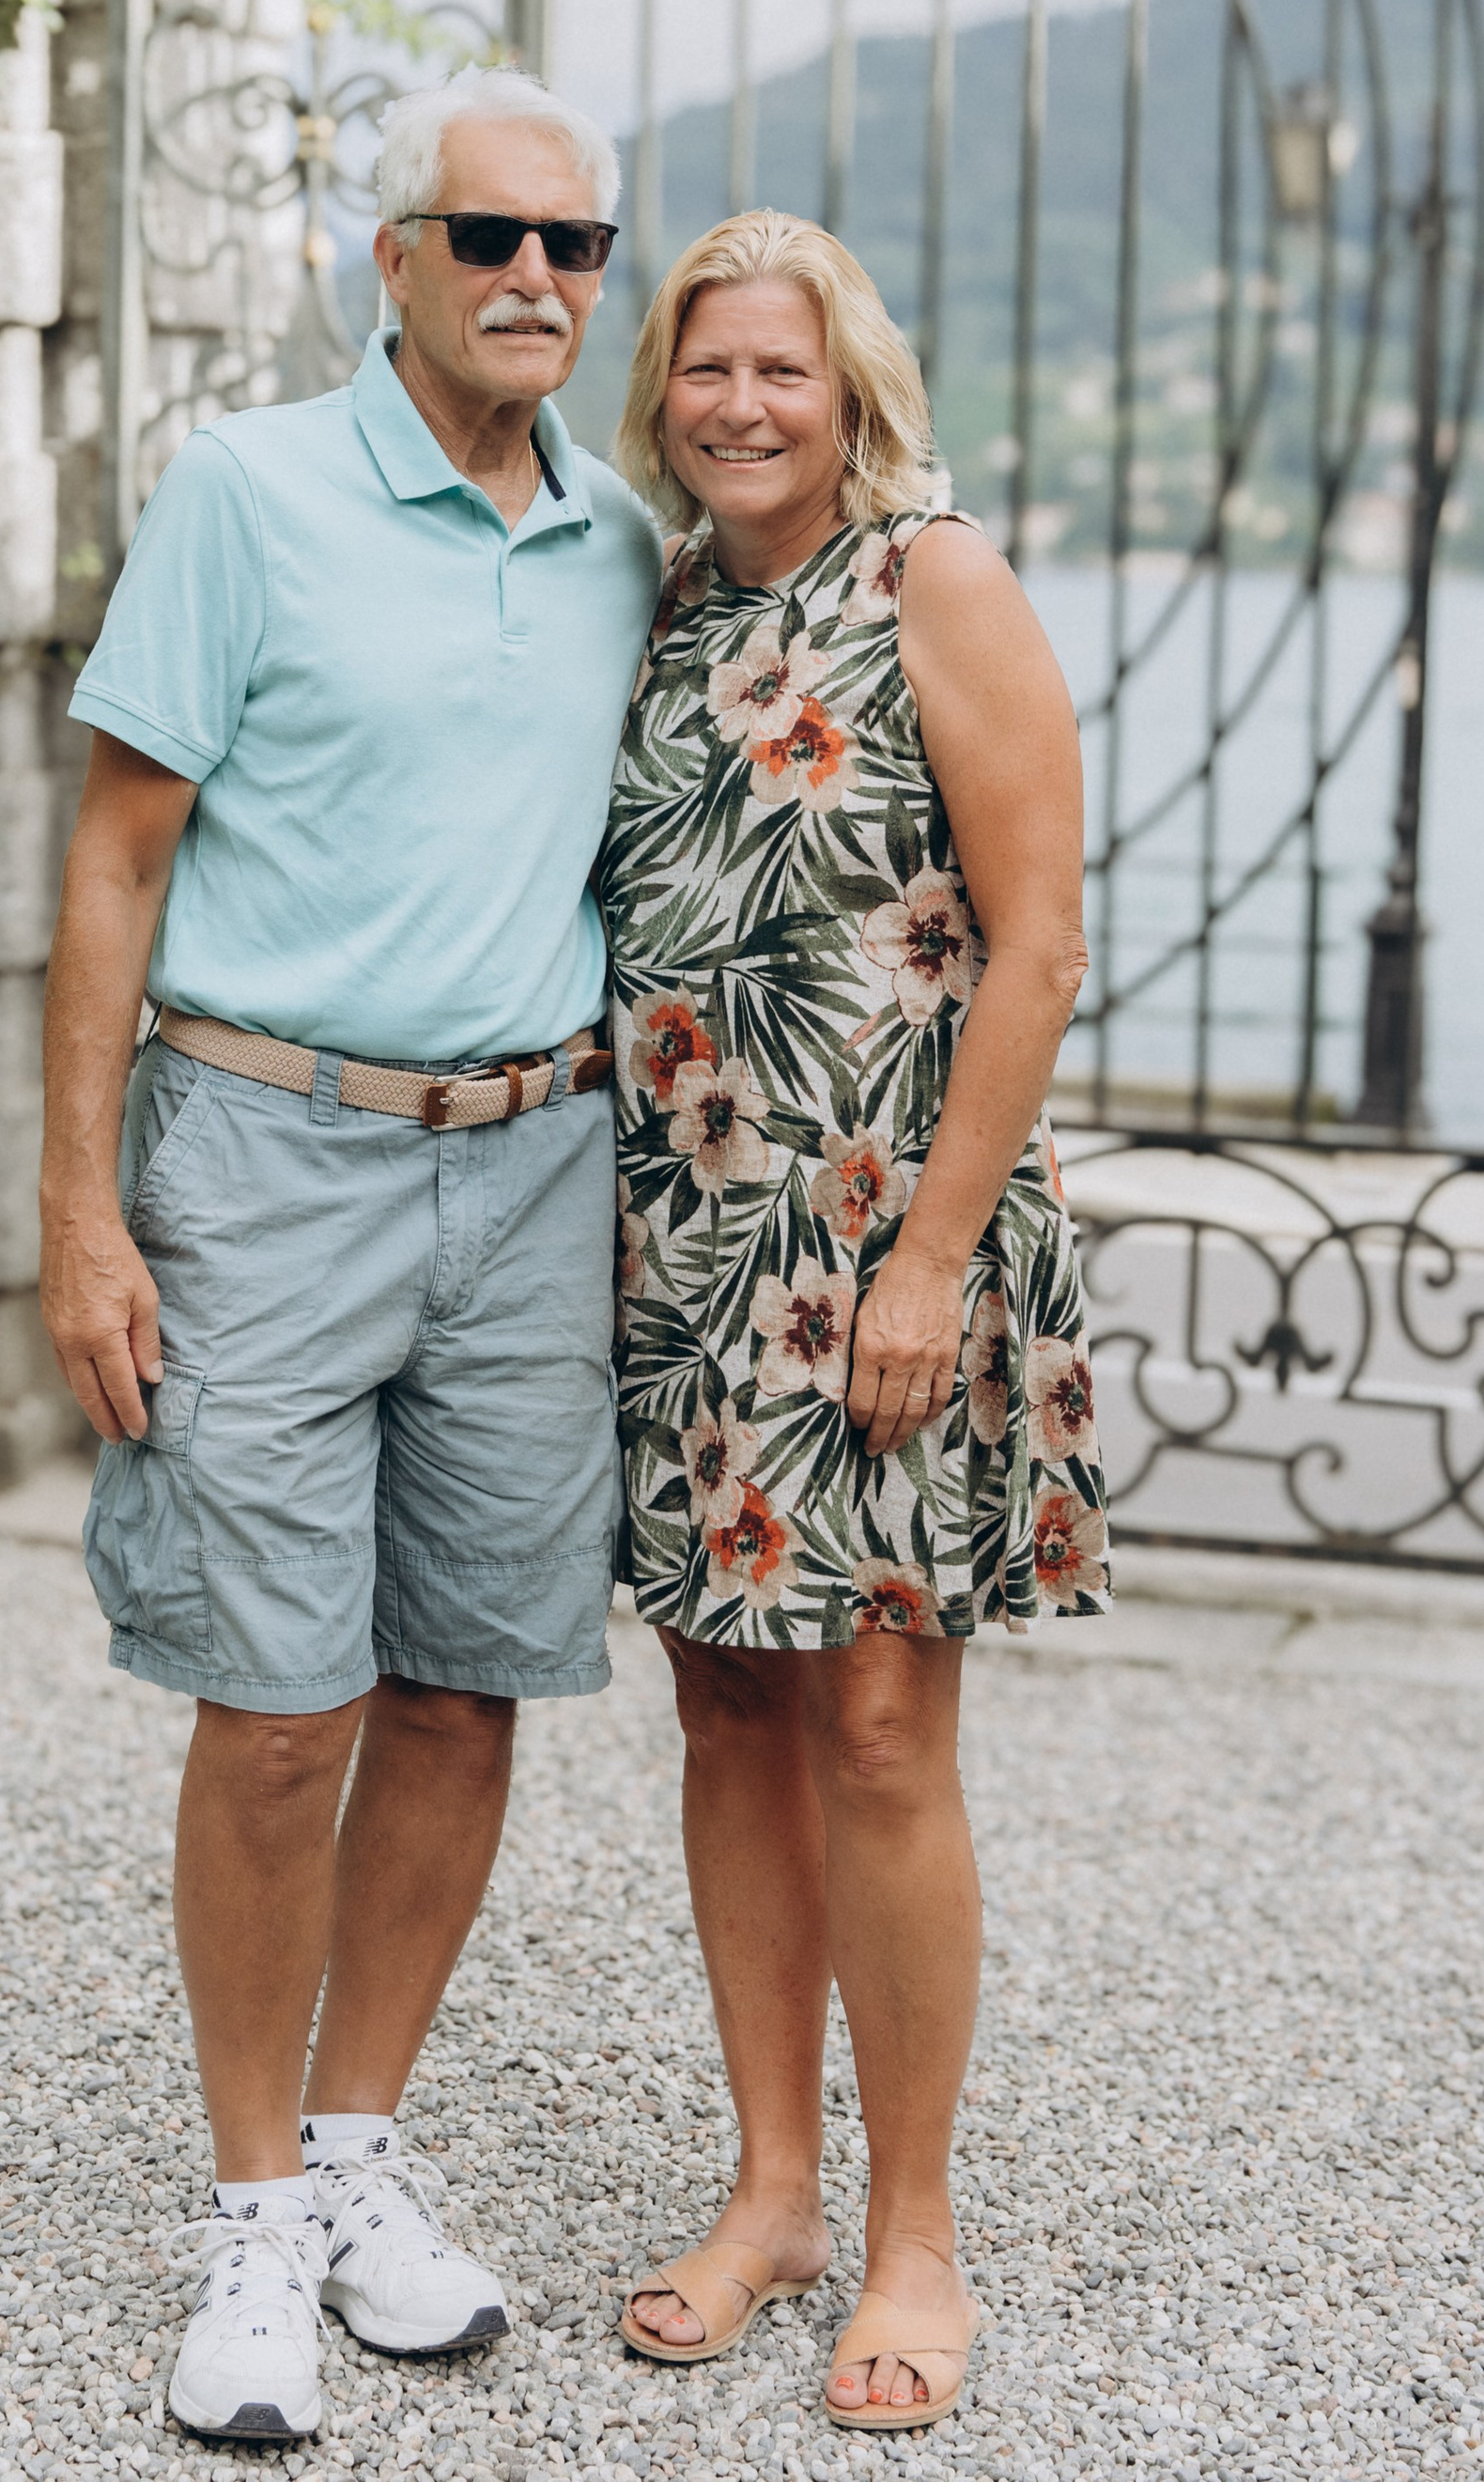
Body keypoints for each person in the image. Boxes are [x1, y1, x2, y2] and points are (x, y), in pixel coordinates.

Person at [39, 67, 663, 2444]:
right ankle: (245, 2222)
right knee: (277, 1711)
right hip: (263, 1161)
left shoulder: (618, 541)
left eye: (573, 247)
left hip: (527, 1181)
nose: (534, 280)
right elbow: (114, 857)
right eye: (486, 236)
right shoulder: (248, 494)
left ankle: (356, 2153)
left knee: (460, 1688)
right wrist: (81, 1208)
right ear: (385, 259)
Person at [598, 209, 1107, 2435]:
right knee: (725, 1722)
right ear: (664, 393)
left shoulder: (931, 580)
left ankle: (913, 2235)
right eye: (704, 371)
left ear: (849, 387)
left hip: (892, 1252)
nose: (738, 407)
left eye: (778, 375)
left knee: (884, 1730)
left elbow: (1038, 947)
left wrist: (921, 1264)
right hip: (693, 1253)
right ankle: (771, 2190)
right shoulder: (668, 598)